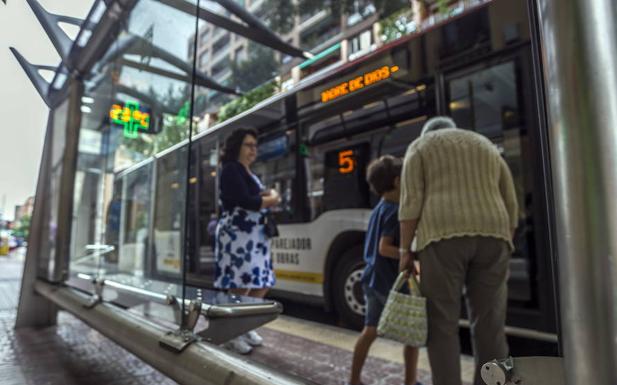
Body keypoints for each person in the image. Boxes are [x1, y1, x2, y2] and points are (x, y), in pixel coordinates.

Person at [397, 117, 519, 385]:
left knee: (442, 326)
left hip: (441, 237)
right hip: (495, 235)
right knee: (491, 325)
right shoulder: (486, 145)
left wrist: (406, 250)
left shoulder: (420, 146)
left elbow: (410, 203)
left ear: (428, 133)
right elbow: (510, 201)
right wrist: (505, 243)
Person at [349, 155, 421, 385]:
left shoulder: (379, 208)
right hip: (389, 281)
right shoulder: (394, 210)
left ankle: (354, 379)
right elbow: (384, 248)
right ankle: (410, 382)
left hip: (371, 278)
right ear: (399, 181)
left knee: (370, 330)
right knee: (413, 335)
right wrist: (409, 254)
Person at [215, 128, 281, 354]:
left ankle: (243, 325)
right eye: (248, 145)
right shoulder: (230, 169)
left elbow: (256, 197)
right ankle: (230, 333)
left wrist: (266, 196)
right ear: (237, 147)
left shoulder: (247, 171)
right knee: (241, 284)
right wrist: (271, 199)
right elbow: (247, 201)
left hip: (255, 236)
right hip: (238, 234)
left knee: (263, 282)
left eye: (255, 145)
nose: (254, 149)